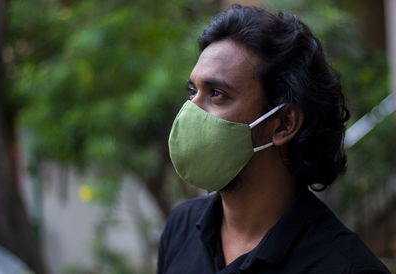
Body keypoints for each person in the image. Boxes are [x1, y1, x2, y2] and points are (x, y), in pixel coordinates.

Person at [158, 4, 390, 274]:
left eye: (217, 93)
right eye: (192, 90)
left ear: (283, 124)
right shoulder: (181, 227)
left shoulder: (347, 268)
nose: (191, 110)